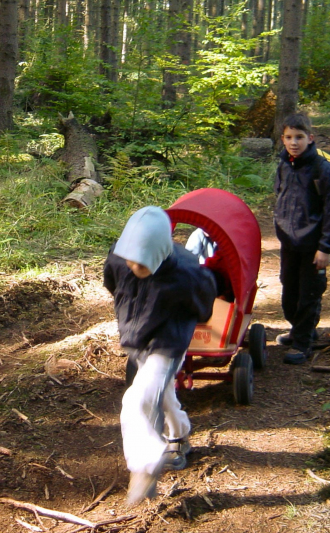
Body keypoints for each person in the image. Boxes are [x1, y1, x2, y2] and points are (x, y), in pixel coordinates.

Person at [103, 206, 217, 506]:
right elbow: (113, 285)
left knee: (136, 400)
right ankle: (180, 436)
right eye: (129, 258)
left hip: (168, 344)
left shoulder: (187, 273)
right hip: (138, 340)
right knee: (162, 395)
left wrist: (173, 320)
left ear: (158, 253)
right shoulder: (119, 257)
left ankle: (145, 466)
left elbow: (204, 307)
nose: (131, 265)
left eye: (140, 263)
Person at [273, 113, 330, 365]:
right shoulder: (284, 165)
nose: (294, 142)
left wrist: (326, 247)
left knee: (309, 293)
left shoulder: (322, 169)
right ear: (283, 139)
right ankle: (298, 330)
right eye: (289, 137)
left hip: (314, 245)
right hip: (290, 243)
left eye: (299, 137)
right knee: (288, 292)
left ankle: (304, 343)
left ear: (310, 138)